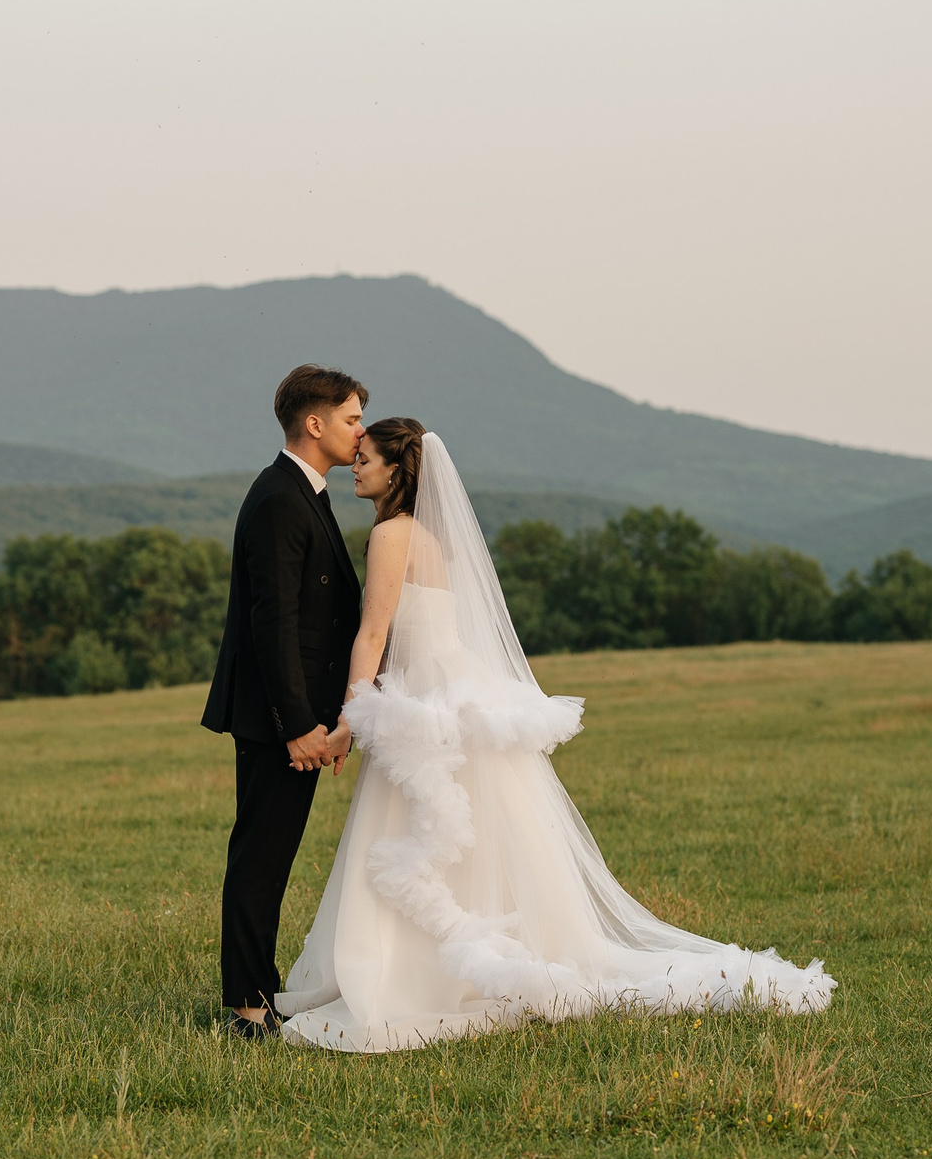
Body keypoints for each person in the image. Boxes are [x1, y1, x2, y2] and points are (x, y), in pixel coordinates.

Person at [273, 420, 835, 1052]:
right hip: (453, 685)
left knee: (411, 830)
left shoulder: (391, 534)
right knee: (474, 835)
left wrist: (355, 716)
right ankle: (470, 960)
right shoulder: (432, 536)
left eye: (367, 458)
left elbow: (373, 634)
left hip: (423, 699)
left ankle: (409, 974)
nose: (356, 464)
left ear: (396, 472)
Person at [200, 365, 367, 1039]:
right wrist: (298, 724)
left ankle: (259, 988)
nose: (361, 432)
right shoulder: (279, 498)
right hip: (279, 721)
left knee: (271, 854)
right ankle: (245, 1006)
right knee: (260, 855)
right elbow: (274, 623)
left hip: (299, 719)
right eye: (352, 419)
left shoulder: (307, 493)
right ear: (316, 422)